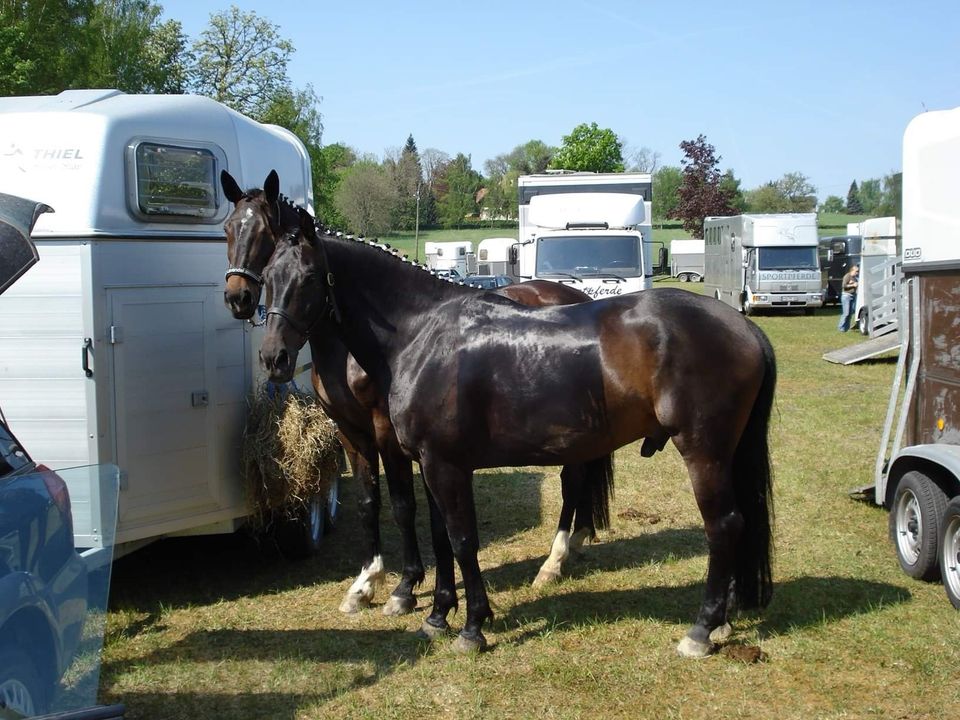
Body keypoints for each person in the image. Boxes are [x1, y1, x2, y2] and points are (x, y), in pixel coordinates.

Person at [838, 264, 860, 332]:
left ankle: (847, 328)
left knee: (850, 313)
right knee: (846, 313)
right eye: (856, 271)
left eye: (858, 271)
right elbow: (844, 286)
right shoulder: (847, 276)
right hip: (846, 296)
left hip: (852, 295)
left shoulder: (855, 278)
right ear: (852, 270)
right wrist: (853, 285)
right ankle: (841, 328)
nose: (857, 273)